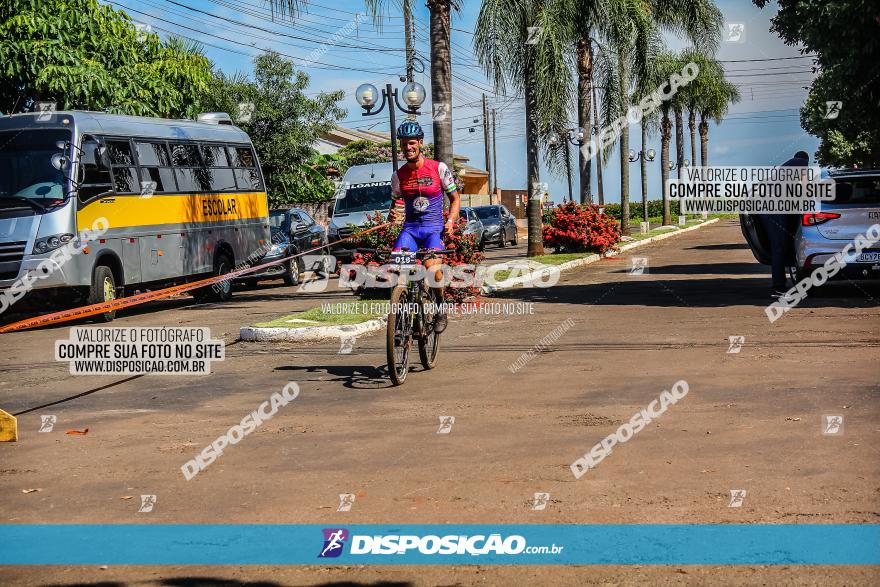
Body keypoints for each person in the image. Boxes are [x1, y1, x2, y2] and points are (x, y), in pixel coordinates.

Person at [388, 120, 461, 333]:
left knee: (432, 269)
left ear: (420, 143)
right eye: (403, 144)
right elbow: (396, 204)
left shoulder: (439, 168)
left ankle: (440, 307)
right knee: (398, 270)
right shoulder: (398, 176)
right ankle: (400, 314)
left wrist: (450, 222)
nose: (407, 148)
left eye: (411, 143)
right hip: (410, 230)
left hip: (433, 230)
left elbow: (455, 199)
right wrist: (393, 214)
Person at [762, 150, 809, 298]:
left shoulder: (785, 168)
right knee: (779, 248)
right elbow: (805, 188)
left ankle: (779, 287)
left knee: (778, 247)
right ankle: (778, 289)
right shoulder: (802, 163)